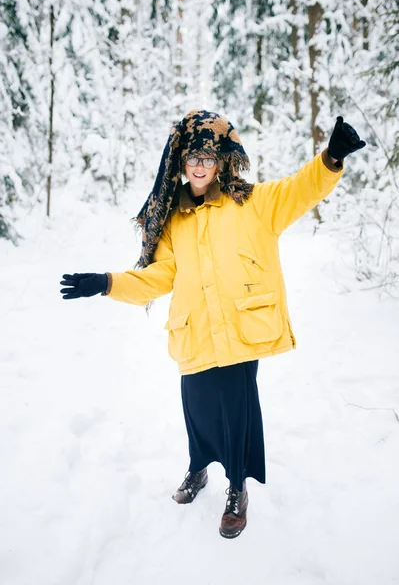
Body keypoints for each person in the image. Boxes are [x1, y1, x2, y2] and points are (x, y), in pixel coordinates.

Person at [60, 110, 365, 539]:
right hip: (196, 333)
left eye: (206, 158)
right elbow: (157, 278)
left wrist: (331, 157)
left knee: (236, 415)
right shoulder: (174, 222)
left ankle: (237, 489)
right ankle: (198, 468)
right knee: (198, 411)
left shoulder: (252, 203)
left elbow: (299, 191)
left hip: (241, 333)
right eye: (191, 159)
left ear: (220, 161)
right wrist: (106, 283)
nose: (199, 166)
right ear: (182, 164)